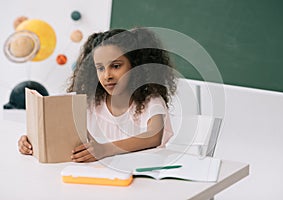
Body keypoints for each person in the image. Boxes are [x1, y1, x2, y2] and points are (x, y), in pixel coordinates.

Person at [18, 27, 177, 162]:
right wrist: (33, 141)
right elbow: (63, 134)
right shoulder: (90, 103)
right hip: (99, 179)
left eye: (115, 66)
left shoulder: (151, 102)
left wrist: (105, 149)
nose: (107, 75)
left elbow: (153, 137)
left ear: (136, 66)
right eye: (100, 68)